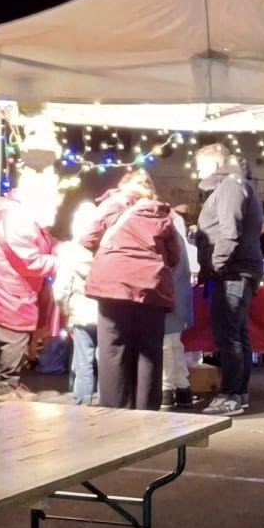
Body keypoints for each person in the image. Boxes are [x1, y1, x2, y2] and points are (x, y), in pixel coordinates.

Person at [83, 169, 182, 411]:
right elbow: (174, 257)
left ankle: (115, 410)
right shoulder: (162, 213)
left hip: (113, 286)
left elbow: (86, 238)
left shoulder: (111, 205)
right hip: (151, 288)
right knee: (149, 351)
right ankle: (146, 410)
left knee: (113, 349)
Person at [0, 183, 59, 402]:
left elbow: (40, 242)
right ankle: (6, 387)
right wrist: (59, 262)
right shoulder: (17, 220)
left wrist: (59, 247)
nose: (56, 208)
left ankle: (12, 383)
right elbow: (28, 260)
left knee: (18, 337)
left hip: (9, 285)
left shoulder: (22, 215)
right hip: (7, 288)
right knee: (15, 338)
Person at [195, 144, 264, 417]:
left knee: (229, 336)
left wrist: (217, 264)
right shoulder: (237, 185)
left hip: (232, 272)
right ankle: (238, 393)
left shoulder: (230, 186)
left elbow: (230, 232)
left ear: (214, 164)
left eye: (199, 166)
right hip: (239, 270)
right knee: (237, 334)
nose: (196, 172)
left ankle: (230, 395)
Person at [50, 191, 100, 406]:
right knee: (104, 361)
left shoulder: (68, 253)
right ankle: (106, 402)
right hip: (106, 313)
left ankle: (82, 402)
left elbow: (61, 288)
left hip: (81, 313)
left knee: (83, 362)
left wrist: (65, 309)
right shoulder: (106, 251)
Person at [162, 205, 199, 409]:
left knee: (167, 345)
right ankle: (182, 388)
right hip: (179, 297)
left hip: (169, 298)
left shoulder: (169, 240)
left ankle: (166, 389)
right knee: (174, 345)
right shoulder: (179, 240)